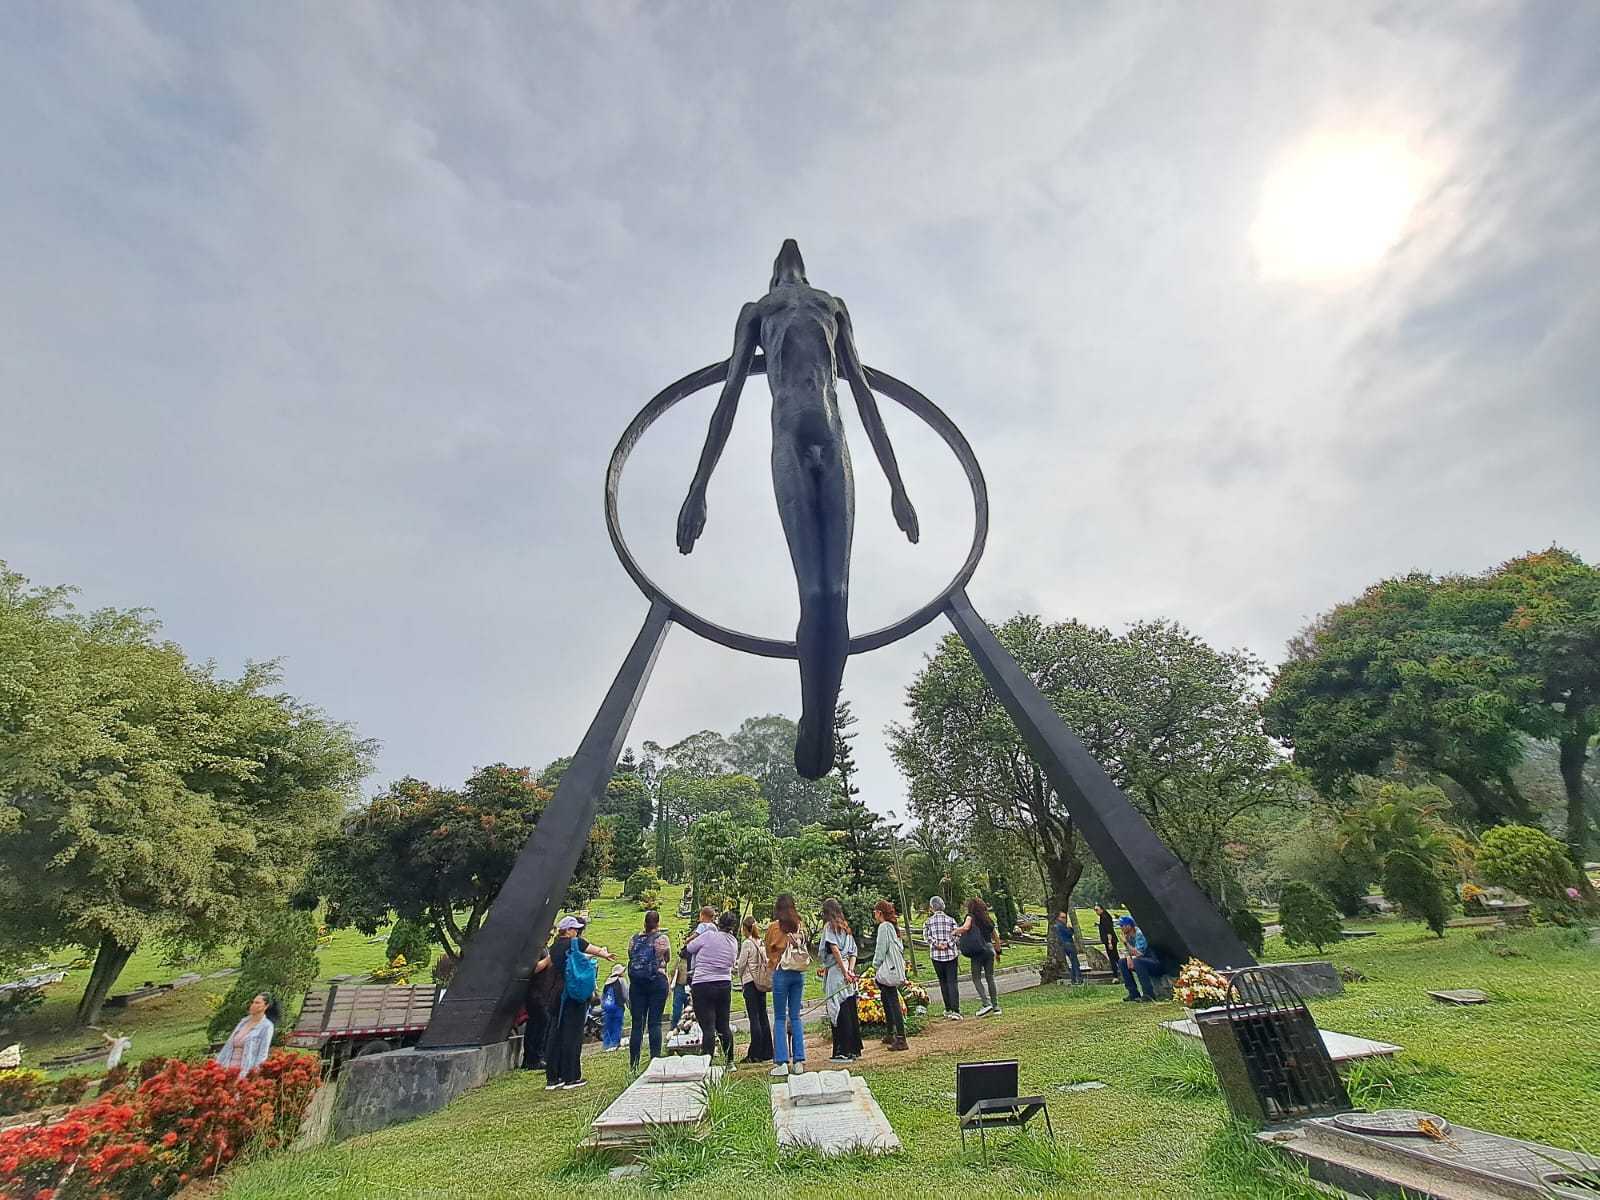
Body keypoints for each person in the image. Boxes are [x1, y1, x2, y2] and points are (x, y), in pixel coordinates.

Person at [676, 240, 920, 779]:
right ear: (772, 275)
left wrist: (897, 488)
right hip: (788, 437)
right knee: (813, 590)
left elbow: (863, 394)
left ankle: (821, 715)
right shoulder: (756, 312)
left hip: (835, 440)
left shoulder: (833, 305)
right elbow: (730, 393)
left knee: (836, 592)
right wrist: (699, 488)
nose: (789, 255)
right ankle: (815, 719)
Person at [543, 916, 615, 1090]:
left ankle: (553, 1077)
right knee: (573, 1035)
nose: (576, 931)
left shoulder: (554, 948)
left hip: (556, 994)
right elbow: (595, 950)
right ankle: (571, 1077)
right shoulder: (576, 944)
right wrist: (606, 954)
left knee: (555, 1034)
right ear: (567, 930)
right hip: (573, 994)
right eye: (574, 929)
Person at [764, 892, 810, 1077]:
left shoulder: (774, 927)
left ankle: (782, 1062)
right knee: (796, 1017)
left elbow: (768, 949)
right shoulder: (800, 924)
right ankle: (799, 1061)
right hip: (798, 973)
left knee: (780, 1018)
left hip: (781, 972)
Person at [686, 910, 739, 1065]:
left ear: (718, 922)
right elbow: (731, 961)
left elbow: (689, 948)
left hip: (702, 983)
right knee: (723, 1025)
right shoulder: (733, 941)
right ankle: (730, 1062)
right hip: (723, 983)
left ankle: (706, 1062)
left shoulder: (708, 935)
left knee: (708, 1026)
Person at [626, 908, 671, 1071]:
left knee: (637, 1024)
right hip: (656, 981)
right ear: (658, 923)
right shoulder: (662, 939)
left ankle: (634, 1064)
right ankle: (655, 1060)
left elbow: (631, 956)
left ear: (644, 923)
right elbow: (667, 958)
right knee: (655, 1022)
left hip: (637, 984)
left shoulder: (634, 939)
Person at [819, 898, 862, 1064]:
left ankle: (842, 1051)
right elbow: (853, 952)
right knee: (849, 1007)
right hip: (846, 971)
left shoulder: (830, 927)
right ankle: (854, 1049)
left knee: (838, 1009)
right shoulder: (846, 927)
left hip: (837, 973)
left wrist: (844, 972)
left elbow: (835, 950)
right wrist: (850, 970)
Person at [735, 914, 774, 1063]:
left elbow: (742, 964)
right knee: (763, 1015)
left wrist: (739, 975)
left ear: (745, 928)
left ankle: (755, 1052)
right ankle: (767, 1050)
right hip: (761, 982)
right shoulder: (760, 942)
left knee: (754, 1017)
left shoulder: (747, 943)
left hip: (750, 981)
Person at [872, 900, 908, 1052]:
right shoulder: (892, 927)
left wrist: (875, 965)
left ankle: (900, 1037)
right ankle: (890, 1032)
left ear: (879, 913)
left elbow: (881, 949)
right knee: (887, 999)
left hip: (888, 969)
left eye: (875, 911)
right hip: (894, 967)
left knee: (892, 1000)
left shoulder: (884, 927)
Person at [955, 897, 1002, 1016]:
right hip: (989, 949)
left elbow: (965, 927)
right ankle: (996, 1006)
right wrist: (998, 951)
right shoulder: (988, 919)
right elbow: (995, 936)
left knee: (976, 978)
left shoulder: (970, 916)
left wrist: (954, 931)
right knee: (990, 977)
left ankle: (986, 1003)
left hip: (977, 950)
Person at [215, 992, 277, 1076]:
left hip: (244, 1071)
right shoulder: (243, 1021)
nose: (253, 1005)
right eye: (253, 1002)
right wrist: (216, 1066)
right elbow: (228, 1046)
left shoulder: (267, 1026)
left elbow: (263, 1054)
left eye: (257, 1003)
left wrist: (253, 1074)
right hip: (227, 1068)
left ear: (266, 1006)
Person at [922, 896, 961, 1020]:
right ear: (943, 906)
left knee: (943, 982)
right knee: (952, 982)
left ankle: (948, 1008)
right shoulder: (951, 920)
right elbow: (957, 934)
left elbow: (926, 936)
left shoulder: (928, 922)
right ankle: (956, 1010)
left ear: (932, 907)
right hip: (951, 955)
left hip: (936, 956)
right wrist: (948, 944)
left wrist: (936, 944)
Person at [1118, 915, 1164, 1003]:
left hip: (1154, 962)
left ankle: (1148, 994)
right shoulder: (1128, 936)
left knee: (1137, 961)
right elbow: (1129, 953)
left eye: (1122, 926)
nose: (1121, 928)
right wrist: (1128, 957)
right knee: (1122, 962)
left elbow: (1139, 953)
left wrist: (1125, 943)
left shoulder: (1139, 934)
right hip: (1141, 961)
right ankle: (1133, 993)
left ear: (1128, 926)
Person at [521, 945, 553, 1070]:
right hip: (535, 994)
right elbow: (531, 969)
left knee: (540, 1024)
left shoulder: (544, 948)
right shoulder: (534, 949)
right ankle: (533, 1059)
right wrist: (548, 959)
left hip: (543, 994)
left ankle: (534, 1057)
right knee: (539, 1024)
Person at [600, 965, 627, 1050]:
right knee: (617, 1025)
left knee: (608, 1026)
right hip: (618, 1006)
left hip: (607, 1008)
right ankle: (614, 1044)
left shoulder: (607, 982)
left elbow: (603, 996)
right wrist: (630, 1005)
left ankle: (606, 1045)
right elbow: (626, 994)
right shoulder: (621, 980)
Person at [1053, 911, 1084, 984]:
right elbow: (1069, 933)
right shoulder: (1061, 925)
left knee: (1073, 962)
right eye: (1062, 917)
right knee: (1075, 962)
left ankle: (1074, 979)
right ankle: (1078, 978)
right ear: (1058, 918)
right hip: (1068, 944)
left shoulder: (1057, 925)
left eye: (1065, 917)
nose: (1064, 919)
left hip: (1064, 945)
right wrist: (1070, 928)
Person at [669, 943, 693, 1029]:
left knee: (687, 1011)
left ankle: (683, 1027)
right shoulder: (680, 961)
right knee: (677, 1011)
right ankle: (675, 1028)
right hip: (680, 986)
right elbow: (672, 972)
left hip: (687, 987)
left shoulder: (691, 960)